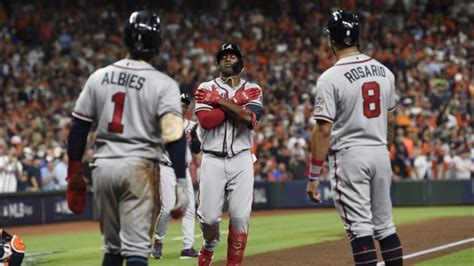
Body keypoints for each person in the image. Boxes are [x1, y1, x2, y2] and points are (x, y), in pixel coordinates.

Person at [66, 10, 189, 266]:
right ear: (157, 43)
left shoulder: (98, 77)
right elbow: (174, 136)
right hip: (139, 169)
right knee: (135, 250)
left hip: (104, 169)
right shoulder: (163, 84)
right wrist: (180, 182)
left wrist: (74, 171)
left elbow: (78, 128)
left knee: (112, 249)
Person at [306, 10, 403, 266]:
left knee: (360, 229)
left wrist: (314, 176)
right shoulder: (385, 73)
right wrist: (383, 151)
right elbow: (390, 122)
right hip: (380, 152)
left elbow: (323, 130)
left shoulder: (329, 78)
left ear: (332, 39)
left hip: (350, 156)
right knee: (384, 226)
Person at [194, 43, 263, 266]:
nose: (227, 59)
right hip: (212, 159)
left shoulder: (254, 88)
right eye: (224, 56)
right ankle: (209, 245)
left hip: (242, 158)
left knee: (241, 218)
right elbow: (207, 121)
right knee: (209, 220)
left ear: (241, 62)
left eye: (232, 56)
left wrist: (219, 101)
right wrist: (236, 102)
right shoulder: (205, 87)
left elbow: (249, 119)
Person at [151, 93, 201, 259]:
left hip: (184, 170)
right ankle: (158, 240)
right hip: (166, 168)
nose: (182, 106)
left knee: (189, 208)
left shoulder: (191, 125)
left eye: (185, 104)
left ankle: (187, 246)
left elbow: (196, 149)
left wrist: (193, 137)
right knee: (167, 209)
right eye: (179, 103)